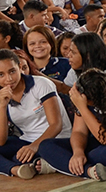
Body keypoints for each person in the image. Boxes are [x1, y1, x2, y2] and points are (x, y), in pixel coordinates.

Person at [0, 49, 71, 179]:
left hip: (55, 139)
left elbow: (56, 125)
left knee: (38, 150)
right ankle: (16, 169)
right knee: (16, 154)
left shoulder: (41, 84)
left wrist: (34, 147)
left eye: (12, 71)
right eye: (1, 75)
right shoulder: (2, 95)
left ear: (20, 68)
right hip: (27, 140)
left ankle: (37, 163)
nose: (8, 79)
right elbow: (1, 140)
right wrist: (2, 106)